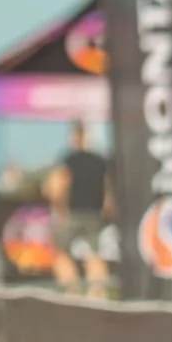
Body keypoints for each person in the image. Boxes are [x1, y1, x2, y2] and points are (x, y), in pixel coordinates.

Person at [41, 123, 112, 297]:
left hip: (73, 214)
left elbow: (54, 187)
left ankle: (71, 289)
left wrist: (59, 210)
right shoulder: (100, 161)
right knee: (94, 253)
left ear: (74, 137)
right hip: (95, 215)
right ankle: (97, 292)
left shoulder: (69, 160)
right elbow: (108, 192)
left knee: (58, 249)